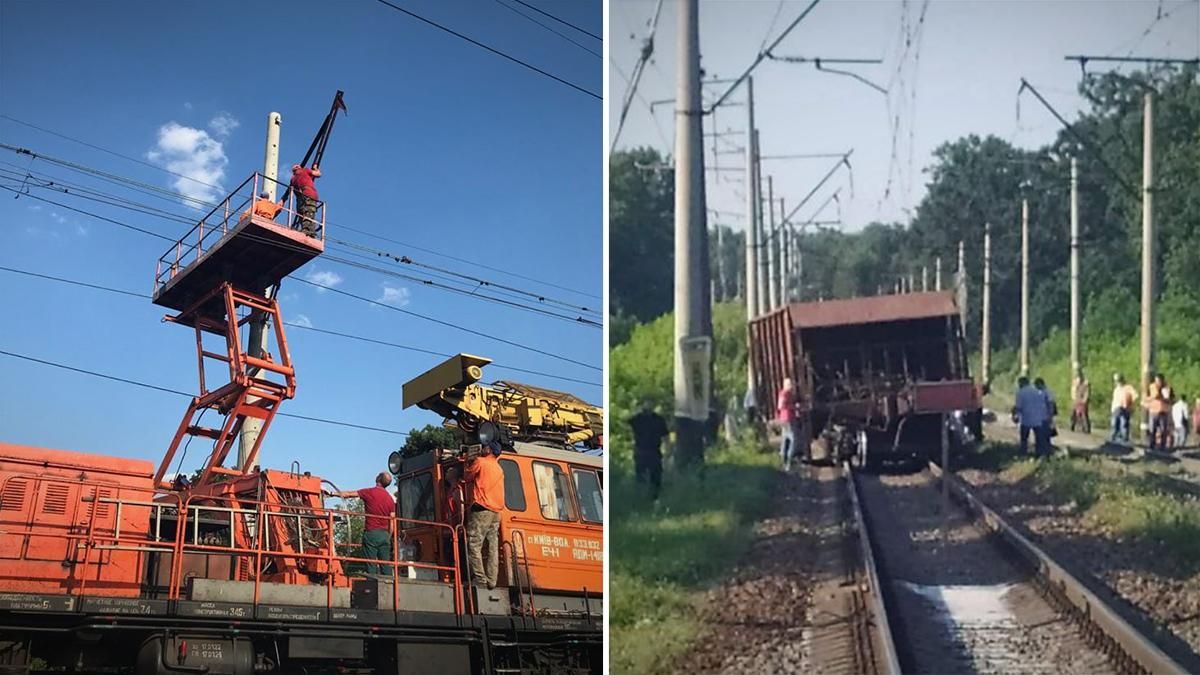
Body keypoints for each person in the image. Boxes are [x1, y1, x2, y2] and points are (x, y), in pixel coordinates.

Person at [327, 472, 395, 575]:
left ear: (378, 479)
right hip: (385, 535)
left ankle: (371, 586)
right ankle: (390, 587)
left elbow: (348, 494)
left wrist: (331, 493)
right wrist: (388, 536)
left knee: (370, 565)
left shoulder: (370, 492)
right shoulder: (390, 499)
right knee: (385, 565)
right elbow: (392, 520)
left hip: (372, 533)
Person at [465, 442, 505, 589]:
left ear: (489, 450)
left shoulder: (481, 462)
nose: (483, 448)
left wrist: (468, 461)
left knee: (474, 543)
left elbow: (467, 476)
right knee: (493, 545)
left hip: (482, 508)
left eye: (485, 447)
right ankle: (492, 579)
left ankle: (480, 578)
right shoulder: (499, 468)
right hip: (497, 511)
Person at [629, 400, 669, 499]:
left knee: (656, 478)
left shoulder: (658, 420)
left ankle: (654, 499)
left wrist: (667, 451)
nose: (648, 405)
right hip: (641, 451)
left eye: (650, 403)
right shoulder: (636, 419)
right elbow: (628, 430)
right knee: (640, 477)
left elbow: (665, 437)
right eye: (646, 403)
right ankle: (640, 499)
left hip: (654, 451)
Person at [1014, 376, 1050, 458]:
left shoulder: (1020, 392)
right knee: (1039, 438)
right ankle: (1040, 454)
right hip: (1038, 418)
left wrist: (1015, 416)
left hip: (1026, 419)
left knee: (1024, 438)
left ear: (1021, 383)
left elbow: (1018, 407)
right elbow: (1043, 403)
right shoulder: (1037, 391)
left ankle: (1023, 454)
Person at [289, 163, 321, 236]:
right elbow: (318, 174)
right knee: (309, 213)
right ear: (299, 168)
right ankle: (309, 232)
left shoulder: (292, 179)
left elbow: (293, 191)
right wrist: (315, 168)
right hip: (309, 194)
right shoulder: (305, 170)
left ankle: (305, 230)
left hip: (300, 199)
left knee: (302, 214)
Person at [776, 378, 801, 471]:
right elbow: (780, 406)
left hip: (787, 418)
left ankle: (783, 461)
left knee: (785, 439)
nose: (792, 386)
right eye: (790, 384)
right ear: (786, 385)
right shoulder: (784, 394)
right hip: (787, 419)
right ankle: (789, 461)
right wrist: (793, 407)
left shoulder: (789, 394)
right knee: (794, 440)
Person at [1109, 374, 1137, 444]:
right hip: (1116, 408)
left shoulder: (1128, 387)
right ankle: (1114, 438)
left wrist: (1130, 404)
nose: (1117, 382)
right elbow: (1114, 399)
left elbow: (1135, 396)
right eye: (1116, 381)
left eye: (1118, 380)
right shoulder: (1116, 389)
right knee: (1114, 423)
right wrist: (1112, 408)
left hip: (1125, 408)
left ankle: (1124, 439)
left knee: (1124, 424)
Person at [1146, 373, 1170, 452]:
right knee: (1152, 430)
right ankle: (1151, 446)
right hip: (1153, 411)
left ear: (1162, 380)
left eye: (1159, 381)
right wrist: (1152, 398)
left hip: (1163, 411)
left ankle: (1162, 447)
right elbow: (1146, 397)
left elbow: (1172, 399)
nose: (1158, 383)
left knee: (1163, 431)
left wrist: (1165, 399)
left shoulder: (1167, 388)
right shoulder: (1151, 387)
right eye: (1156, 381)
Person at [1035, 377, 1057, 441]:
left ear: (1041, 384)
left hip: (1046, 416)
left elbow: (1051, 404)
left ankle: (1045, 447)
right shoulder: (1039, 392)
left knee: (1046, 433)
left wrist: (1050, 416)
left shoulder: (1048, 392)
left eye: (1037, 385)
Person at [1070, 369, 1091, 434]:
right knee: (1073, 414)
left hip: (1082, 402)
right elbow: (1073, 392)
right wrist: (1074, 399)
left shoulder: (1085, 384)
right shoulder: (1075, 383)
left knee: (1084, 415)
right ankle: (1072, 426)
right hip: (1076, 401)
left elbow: (1087, 393)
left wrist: (1084, 400)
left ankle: (1086, 428)